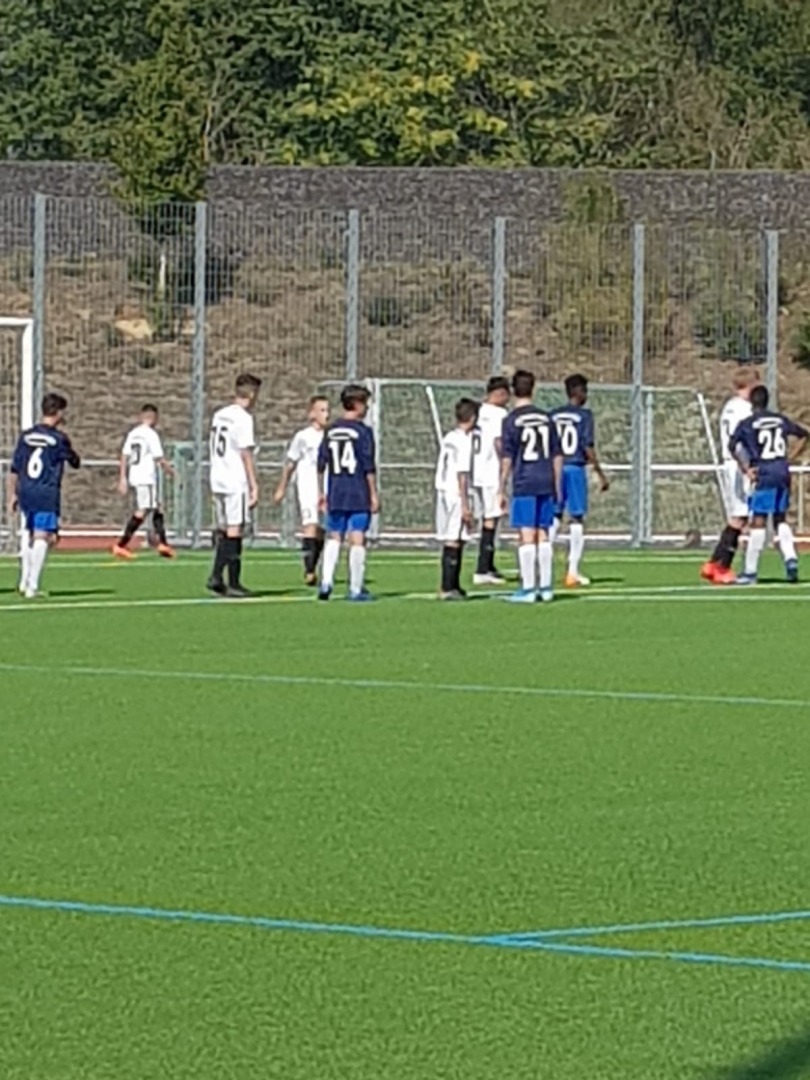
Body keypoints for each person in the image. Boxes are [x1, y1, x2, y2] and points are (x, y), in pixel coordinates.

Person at [729, 384, 808, 585]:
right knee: (780, 518)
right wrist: (790, 458)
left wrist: (746, 469)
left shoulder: (748, 424)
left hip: (764, 472)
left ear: (750, 402)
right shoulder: (779, 419)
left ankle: (750, 571)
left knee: (759, 520)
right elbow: (804, 435)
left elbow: (732, 446)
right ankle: (791, 560)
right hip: (782, 471)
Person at [7, 392, 80, 599]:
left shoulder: (25, 436)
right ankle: (32, 586)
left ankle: (23, 581)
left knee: (29, 533)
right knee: (42, 536)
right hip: (45, 491)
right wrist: (70, 451)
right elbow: (75, 462)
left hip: (25, 489)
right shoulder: (58, 439)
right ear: (58, 413)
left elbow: (15, 468)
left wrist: (12, 494)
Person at [500, 370, 562, 603]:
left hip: (525, 480)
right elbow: (557, 455)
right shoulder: (547, 418)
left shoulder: (511, 420)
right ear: (533, 388)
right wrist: (556, 483)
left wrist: (501, 486)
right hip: (545, 479)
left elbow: (507, 457)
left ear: (512, 391)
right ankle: (546, 587)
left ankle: (528, 589)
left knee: (527, 533)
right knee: (543, 533)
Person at [317, 384, 379, 601]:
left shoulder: (330, 430)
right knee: (357, 536)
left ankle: (326, 582)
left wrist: (321, 492)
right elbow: (368, 466)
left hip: (336, 490)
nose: (367, 407)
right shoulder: (363, 432)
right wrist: (373, 494)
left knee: (334, 535)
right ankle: (355, 588)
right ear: (357, 404)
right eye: (365, 403)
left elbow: (321, 464)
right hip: (357, 490)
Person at [549, 374, 609, 587]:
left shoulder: (553, 415)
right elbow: (586, 445)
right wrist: (599, 471)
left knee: (554, 516)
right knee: (576, 518)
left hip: (554, 468)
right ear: (579, 392)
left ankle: (541, 567)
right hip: (574, 467)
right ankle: (572, 571)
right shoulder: (584, 416)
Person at [701, 368, 759, 585]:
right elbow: (741, 441)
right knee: (740, 517)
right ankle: (722, 565)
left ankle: (713, 563)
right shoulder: (745, 409)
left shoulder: (729, 406)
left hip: (730, 463)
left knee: (738, 515)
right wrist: (747, 466)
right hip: (740, 464)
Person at [207, 373, 262, 598]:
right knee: (234, 530)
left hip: (217, 476)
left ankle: (223, 580)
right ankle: (224, 578)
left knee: (225, 529)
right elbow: (245, 452)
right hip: (234, 478)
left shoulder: (220, 414)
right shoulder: (243, 418)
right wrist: (253, 484)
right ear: (252, 394)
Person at [274, 396, 330, 586]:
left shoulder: (331, 436)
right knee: (310, 525)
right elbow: (291, 463)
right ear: (312, 414)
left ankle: (313, 564)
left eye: (327, 410)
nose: (326, 414)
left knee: (321, 530)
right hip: (307, 486)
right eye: (322, 410)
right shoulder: (303, 436)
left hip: (326, 487)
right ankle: (309, 571)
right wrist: (281, 487)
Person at [112, 404, 175, 560]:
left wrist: (123, 478)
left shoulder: (133, 433)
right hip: (146, 476)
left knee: (156, 507)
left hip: (135, 475)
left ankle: (163, 544)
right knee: (143, 510)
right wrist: (170, 471)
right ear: (154, 418)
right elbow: (159, 457)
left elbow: (124, 455)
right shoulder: (150, 434)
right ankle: (121, 544)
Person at [435, 398, 478, 600]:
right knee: (453, 538)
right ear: (473, 418)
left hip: (443, 490)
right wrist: (465, 505)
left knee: (456, 537)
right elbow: (462, 474)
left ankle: (454, 585)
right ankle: (447, 586)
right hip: (455, 493)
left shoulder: (449, 437)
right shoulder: (463, 441)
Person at [471, 375, 510, 585]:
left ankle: (489, 564)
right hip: (490, 470)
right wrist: (507, 461)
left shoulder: (478, 410)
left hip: (475, 470)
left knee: (486, 516)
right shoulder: (499, 414)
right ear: (500, 393)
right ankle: (482, 568)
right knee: (491, 518)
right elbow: (498, 442)